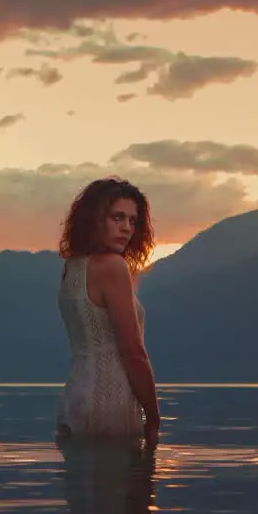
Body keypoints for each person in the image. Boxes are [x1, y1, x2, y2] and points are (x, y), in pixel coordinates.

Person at [55, 177, 162, 449]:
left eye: (133, 221)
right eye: (117, 218)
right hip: (109, 402)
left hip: (74, 399)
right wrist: (153, 417)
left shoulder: (73, 267)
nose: (126, 228)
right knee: (124, 488)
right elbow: (133, 352)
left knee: (81, 489)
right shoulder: (113, 267)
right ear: (94, 219)